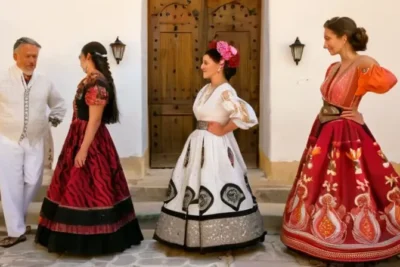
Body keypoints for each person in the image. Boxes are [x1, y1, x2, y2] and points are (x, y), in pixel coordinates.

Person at [280, 17, 399, 265]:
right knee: (319, 182)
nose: (325, 44)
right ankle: (315, 238)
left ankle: (350, 241)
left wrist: (356, 111)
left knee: (348, 183)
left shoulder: (363, 62)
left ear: (343, 37)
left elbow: (387, 81)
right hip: (323, 129)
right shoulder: (332, 68)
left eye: (327, 38)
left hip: (346, 132)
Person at [153, 40, 266, 252]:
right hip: (198, 144)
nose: (202, 66)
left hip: (216, 147)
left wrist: (224, 129)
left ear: (220, 64)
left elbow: (247, 116)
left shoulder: (225, 91)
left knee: (215, 183)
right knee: (195, 184)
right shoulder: (207, 88)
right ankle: (194, 234)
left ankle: (222, 235)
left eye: (206, 62)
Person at [35, 41, 143, 255]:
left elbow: (94, 121)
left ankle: (89, 239)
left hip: (90, 140)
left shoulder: (96, 83)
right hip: (79, 136)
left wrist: (83, 149)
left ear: (87, 57)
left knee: (88, 186)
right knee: (75, 185)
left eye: (81, 59)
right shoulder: (92, 81)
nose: (80, 64)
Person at [0, 37, 66, 248]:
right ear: (15, 56)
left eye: (35, 56)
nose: (32, 61)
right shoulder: (2, 79)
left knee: (33, 180)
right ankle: (16, 230)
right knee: (10, 184)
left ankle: (17, 220)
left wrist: (55, 117)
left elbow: (59, 104)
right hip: (7, 138)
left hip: (35, 139)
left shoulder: (44, 81)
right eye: (27, 56)